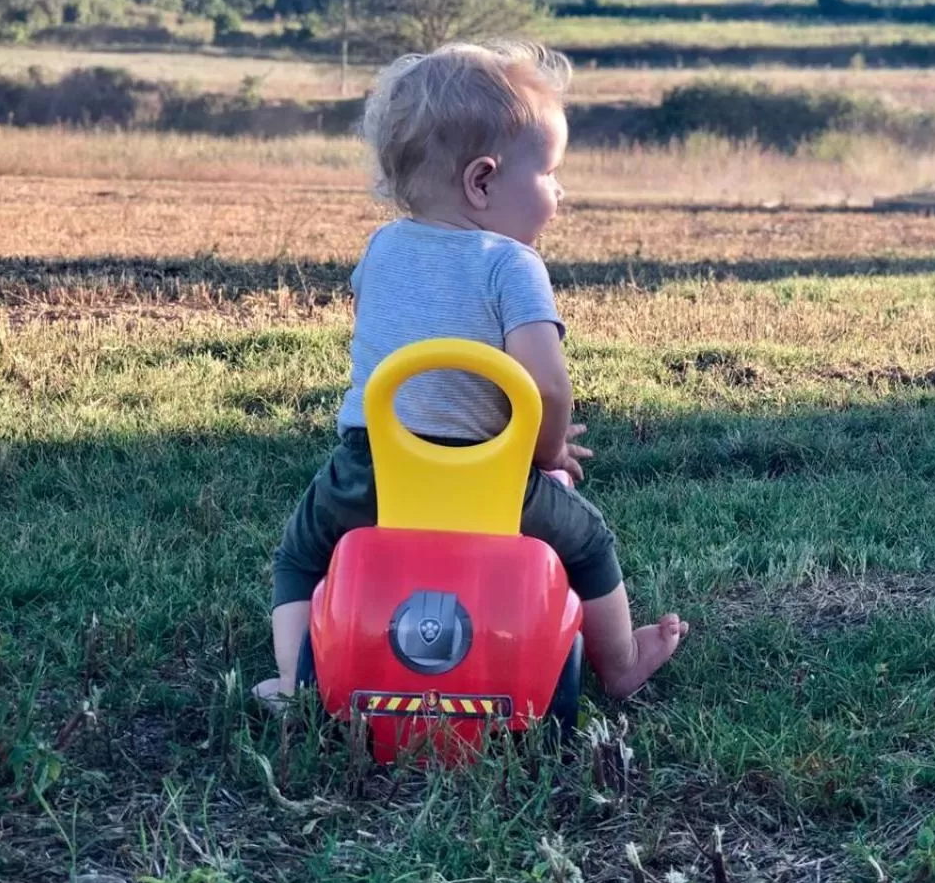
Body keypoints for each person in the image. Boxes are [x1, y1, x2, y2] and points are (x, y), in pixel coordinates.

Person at [253, 39, 686, 709]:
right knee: (588, 543)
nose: (559, 192)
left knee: (301, 554)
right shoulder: (511, 264)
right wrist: (547, 453)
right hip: (490, 476)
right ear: (482, 182)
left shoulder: (380, 248)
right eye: (549, 173)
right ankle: (622, 664)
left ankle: (293, 681)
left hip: (372, 469)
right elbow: (547, 386)